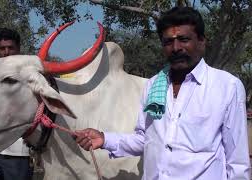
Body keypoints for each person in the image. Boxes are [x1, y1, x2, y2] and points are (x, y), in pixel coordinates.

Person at [75, 7, 251, 179]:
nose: (175, 48)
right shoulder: (154, 86)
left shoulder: (227, 87)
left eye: (183, 39)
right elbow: (146, 140)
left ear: (201, 42)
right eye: (168, 42)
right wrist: (104, 139)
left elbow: (237, 162)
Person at [0, 28, 33, 180]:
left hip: (19, 152)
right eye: (2, 48)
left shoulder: (30, 75)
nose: (6, 52)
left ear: (18, 49)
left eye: (11, 48)